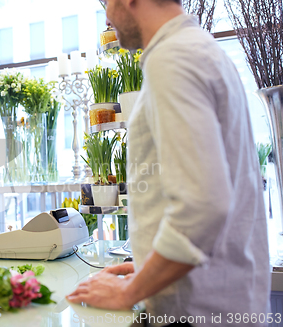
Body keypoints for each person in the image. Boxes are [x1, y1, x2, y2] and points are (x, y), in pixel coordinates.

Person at [67, 0, 271, 325]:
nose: (106, 17)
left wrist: (128, 292)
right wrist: (152, 266)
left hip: (193, 314)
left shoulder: (172, 58)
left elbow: (201, 206)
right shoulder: (201, 49)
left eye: (108, 3)